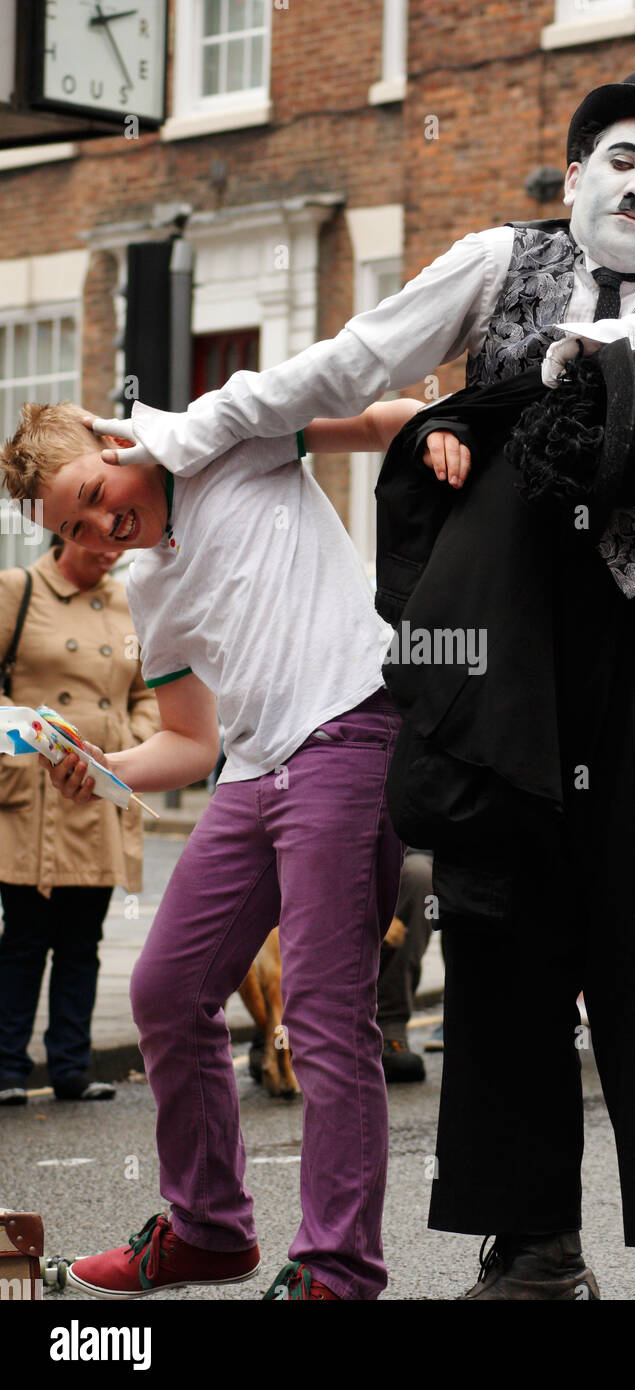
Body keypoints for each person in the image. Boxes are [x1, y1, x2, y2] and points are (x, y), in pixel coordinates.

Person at [77, 67, 635, 1300]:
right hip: (504, 643)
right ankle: (530, 1243)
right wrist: (182, 433)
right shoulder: (493, 259)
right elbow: (347, 364)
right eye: (620, 162)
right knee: (498, 929)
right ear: (573, 174)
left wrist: (611, 337)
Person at [1, 393, 419, 1300]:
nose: (101, 532)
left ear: (118, 443)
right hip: (251, 769)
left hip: (347, 732)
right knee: (165, 990)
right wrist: (104, 763)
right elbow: (191, 741)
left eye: (91, 494)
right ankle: (211, 1231)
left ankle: (338, 1266)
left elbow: (379, 420)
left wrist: (446, 429)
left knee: (321, 1010)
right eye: (74, 528)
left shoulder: (230, 439)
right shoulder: (150, 583)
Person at [0, 536, 159, 1104]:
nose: (111, 553)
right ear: (65, 530)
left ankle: (71, 1066)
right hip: (31, 795)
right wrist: (16, 742)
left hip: (97, 789)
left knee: (81, 939)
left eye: (119, 546)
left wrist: (132, 744)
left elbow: (149, 692)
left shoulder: (131, 602)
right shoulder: (17, 590)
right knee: (22, 938)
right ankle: (7, 1068)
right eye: (98, 541)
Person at [379, 848, 434, 1082]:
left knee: (421, 876)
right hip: (317, 838)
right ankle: (275, 1037)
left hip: (399, 844)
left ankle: (388, 1026)